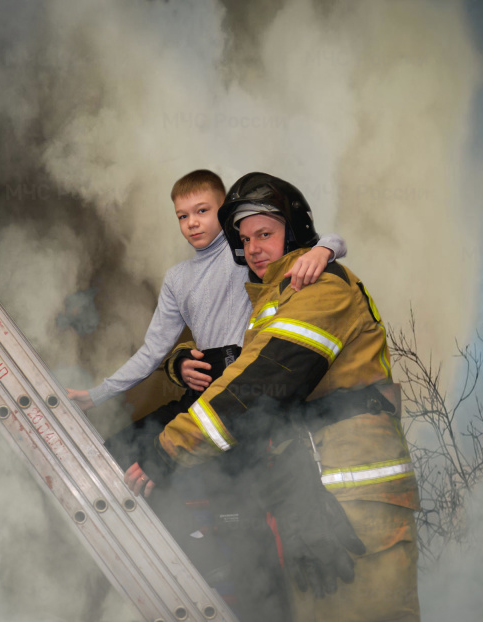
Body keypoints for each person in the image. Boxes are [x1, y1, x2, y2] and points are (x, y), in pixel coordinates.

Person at [126, 172, 421, 622]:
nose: (253, 248)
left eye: (265, 233)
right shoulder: (278, 298)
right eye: (244, 239)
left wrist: (168, 450)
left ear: (295, 231)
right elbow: (242, 366)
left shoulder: (321, 288)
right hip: (316, 496)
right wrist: (179, 360)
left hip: (356, 502)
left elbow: (264, 381)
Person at [66, 169, 347, 621]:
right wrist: (98, 394)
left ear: (227, 214)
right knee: (118, 454)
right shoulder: (178, 279)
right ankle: (183, 548)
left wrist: (324, 250)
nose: (193, 223)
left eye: (203, 211)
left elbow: (318, 236)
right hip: (201, 398)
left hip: (244, 399)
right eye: (182, 216)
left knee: (238, 510)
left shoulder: (247, 257)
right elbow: (151, 351)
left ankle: (248, 589)